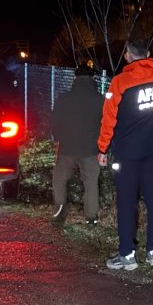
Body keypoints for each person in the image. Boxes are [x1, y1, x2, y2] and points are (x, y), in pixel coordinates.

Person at [97, 39, 153, 270]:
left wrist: (102, 148)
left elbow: (109, 118)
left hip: (127, 151)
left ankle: (127, 255)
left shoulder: (120, 82)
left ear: (127, 54)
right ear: (147, 53)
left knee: (127, 201)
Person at [51, 65, 103, 225]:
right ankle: (91, 217)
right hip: (91, 149)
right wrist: (103, 146)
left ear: (75, 79)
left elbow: (54, 120)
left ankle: (60, 212)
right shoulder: (100, 100)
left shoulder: (64, 98)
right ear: (92, 79)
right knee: (91, 182)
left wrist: (57, 137)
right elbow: (106, 123)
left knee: (59, 180)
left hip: (67, 147)